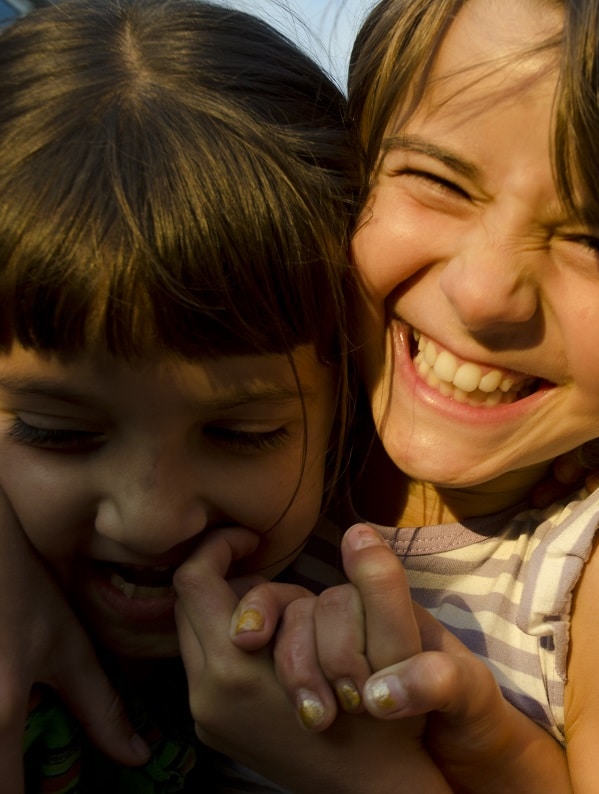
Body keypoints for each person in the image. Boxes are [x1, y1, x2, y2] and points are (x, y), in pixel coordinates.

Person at [172, 0, 599, 791]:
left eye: (596, 242)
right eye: (438, 181)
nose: (485, 295)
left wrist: (370, 778)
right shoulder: (257, 411)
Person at [0, 0, 361, 788]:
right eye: (53, 431)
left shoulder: (401, 643)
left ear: (349, 399)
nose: (151, 520)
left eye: (244, 433)